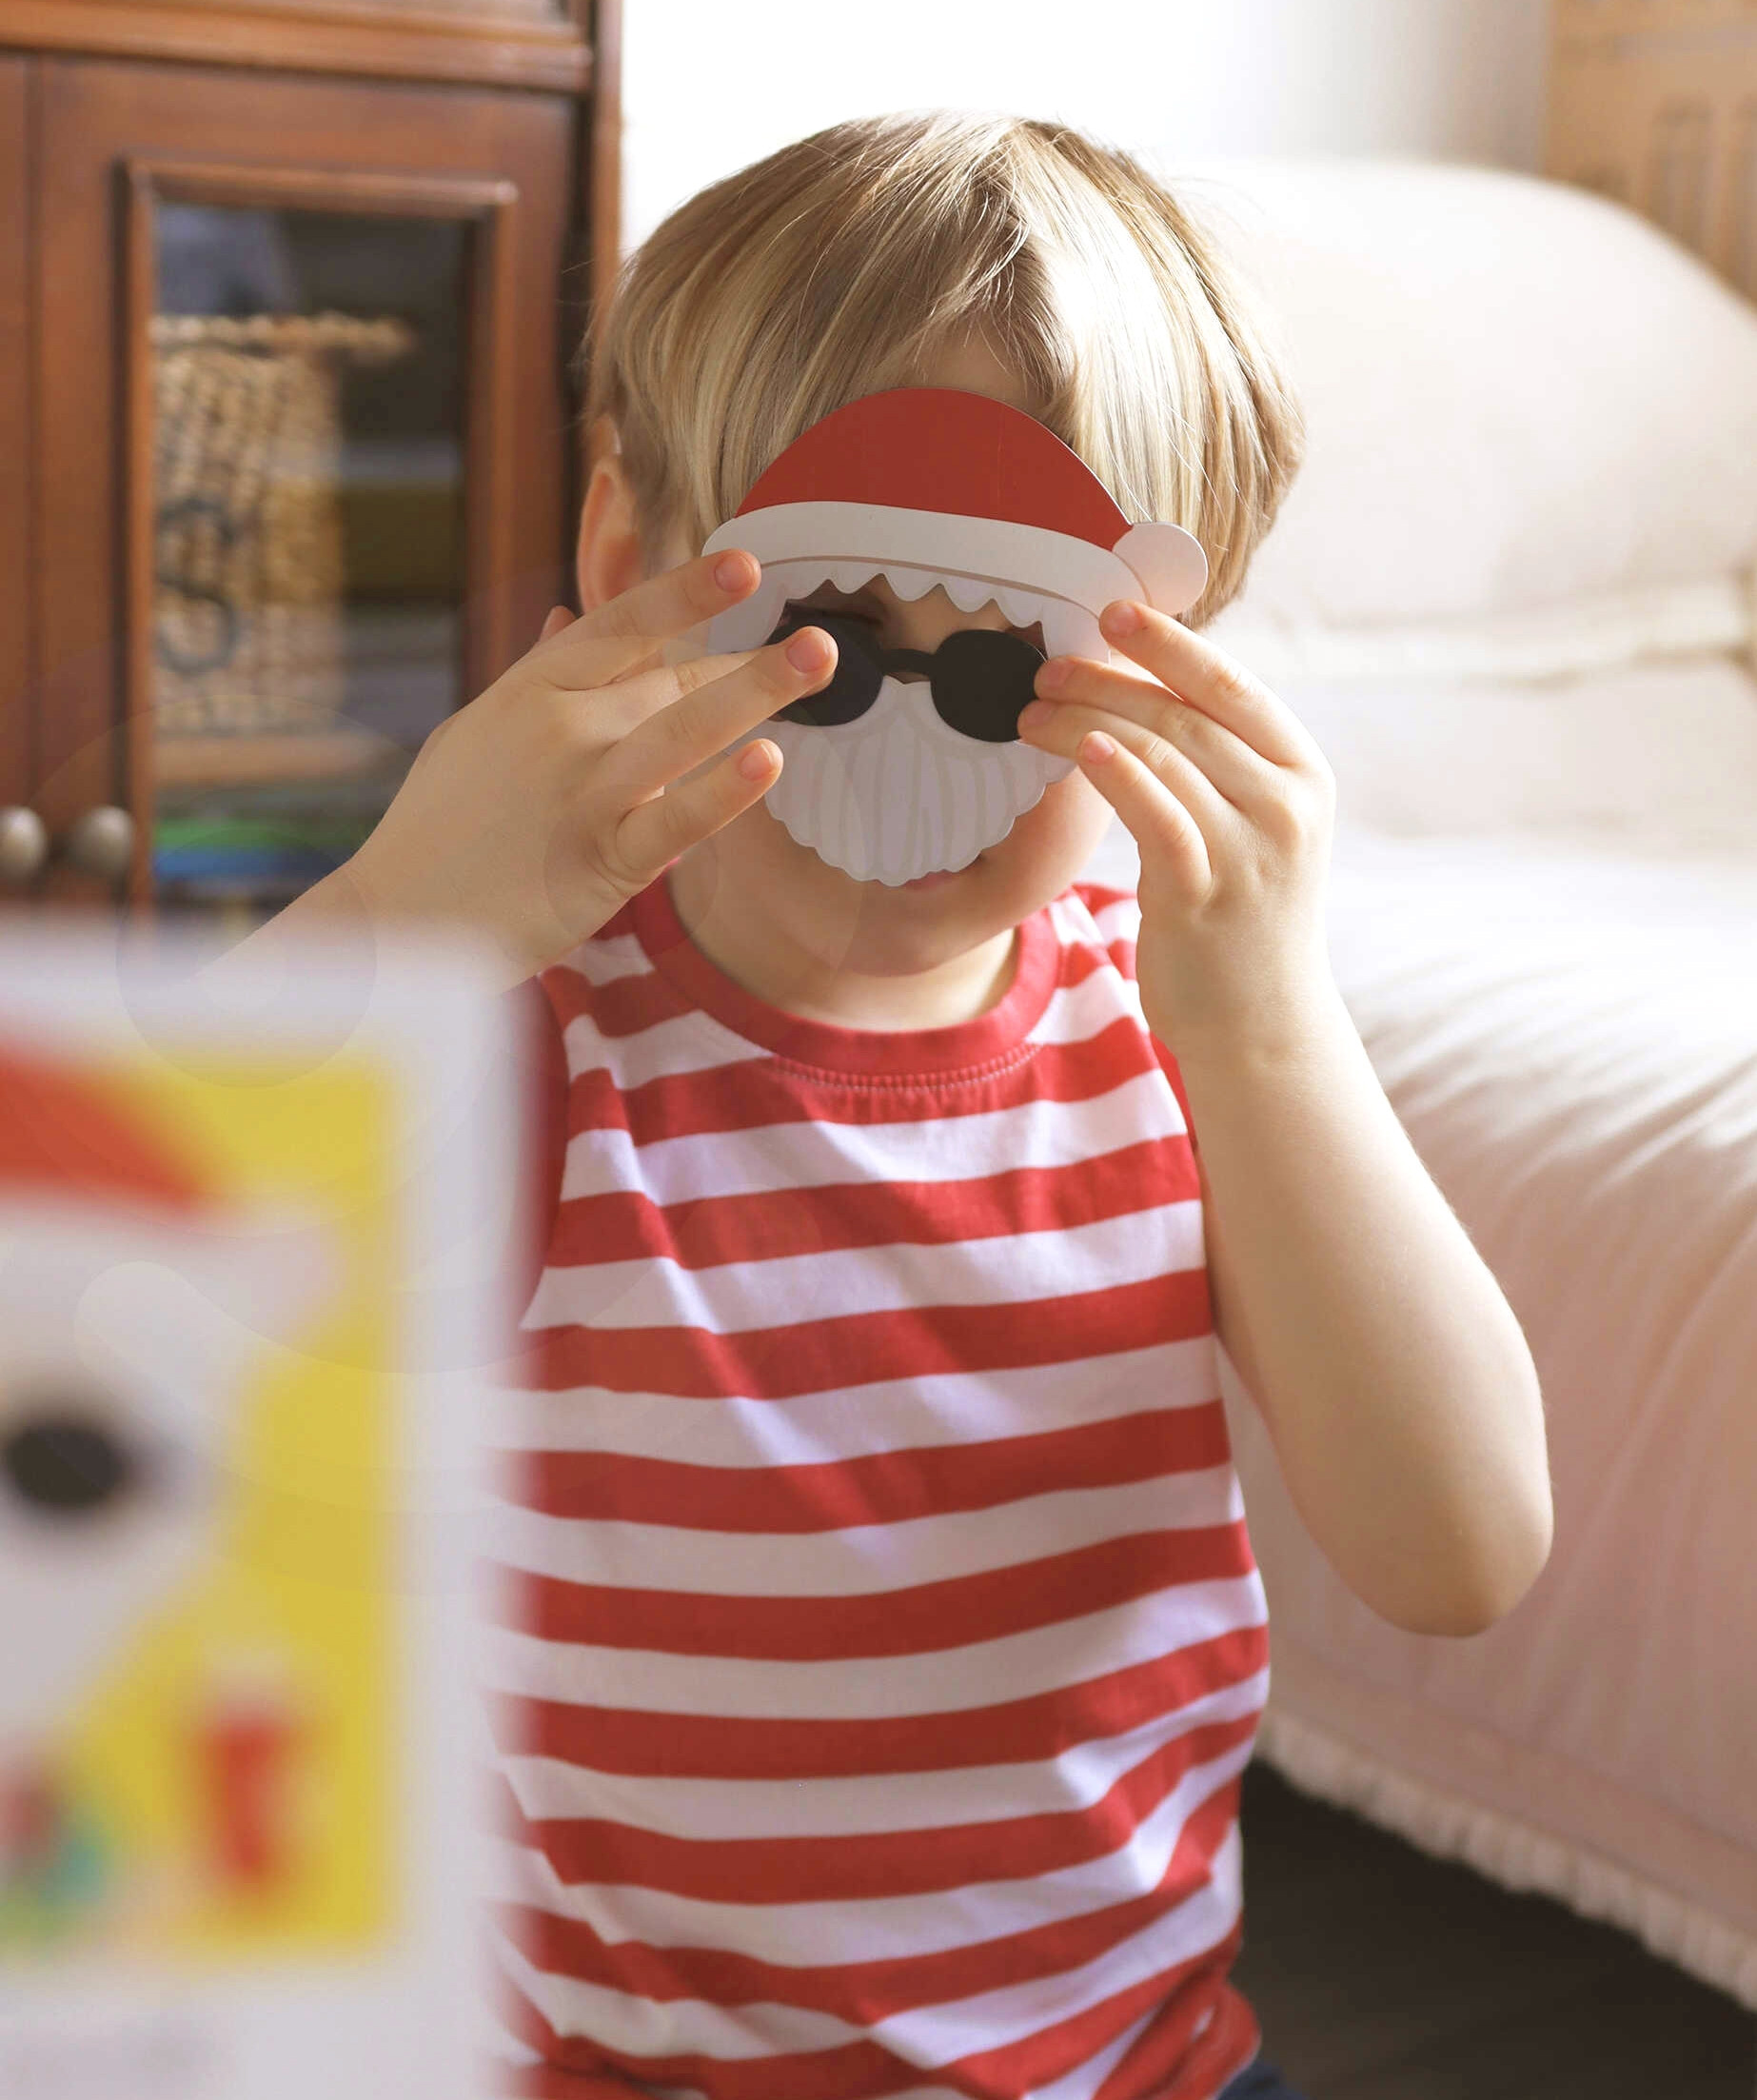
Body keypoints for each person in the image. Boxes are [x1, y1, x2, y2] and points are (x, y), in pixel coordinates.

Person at [267, 111, 1553, 2100]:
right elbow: (77, 1313)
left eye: (1009, 674)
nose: (909, 760)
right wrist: (395, 923)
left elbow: (1455, 1550)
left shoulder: (1191, 1041)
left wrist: (1271, 1032)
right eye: (836, 646)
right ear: (625, 565)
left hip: (1122, 2062)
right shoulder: (532, 1038)